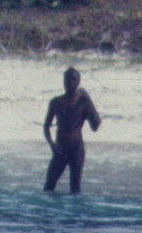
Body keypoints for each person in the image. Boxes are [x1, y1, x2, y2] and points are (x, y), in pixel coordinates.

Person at [42, 66, 102, 194]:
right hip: (60, 149)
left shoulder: (83, 102)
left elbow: (95, 126)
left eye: (74, 80)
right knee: (48, 186)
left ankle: (74, 214)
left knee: (75, 188)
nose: (70, 83)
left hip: (77, 149)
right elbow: (46, 127)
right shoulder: (56, 102)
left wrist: (89, 99)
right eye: (67, 80)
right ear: (63, 82)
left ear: (78, 82)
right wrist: (52, 146)